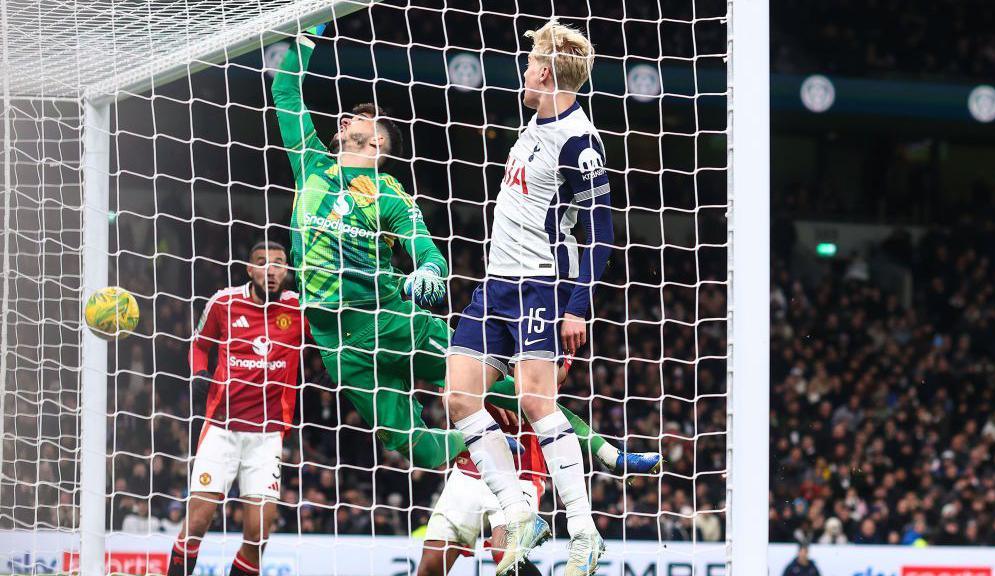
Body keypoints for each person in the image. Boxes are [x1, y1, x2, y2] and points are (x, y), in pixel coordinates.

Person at [269, 25, 661, 476]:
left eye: (359, 118)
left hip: (391, 319)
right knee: (415, 448)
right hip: (335, 339)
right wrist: (309, 25)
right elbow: (285, 86)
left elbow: (430, 254)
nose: (346, 119)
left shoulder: (390, 195)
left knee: (515, 393)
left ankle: (604, 451)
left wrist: (428, 273)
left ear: (377, 142)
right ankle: (497, 444)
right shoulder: (309, 163)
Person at [445, 19, 611, 576]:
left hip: (540, 284)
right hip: (494, 284)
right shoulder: (532, 128)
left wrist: (577, 305)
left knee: (537, 403)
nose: (523, 72)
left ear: (544, 71)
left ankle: (584, 532)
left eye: (528, 64)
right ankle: (519, 513)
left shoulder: (578, 141)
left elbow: (602, 233)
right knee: (459, 396)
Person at [167, 242, 307, 576]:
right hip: (222, 430)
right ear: (249, 269)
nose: (271, 270)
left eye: (279, 263)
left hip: (267, 436)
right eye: (262, 263)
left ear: (287, 269)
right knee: (198, 522)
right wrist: (199, 372)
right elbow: (199, 345)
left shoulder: (300, 309)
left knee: (258, 536)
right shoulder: (224, 302)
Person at [418, 407, 544, 576]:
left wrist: (499, 388)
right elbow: (448, 392)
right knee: (430, 567)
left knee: (505, 554)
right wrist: (483, 388)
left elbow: (541, 394)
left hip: (520, 469)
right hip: (468, 465)